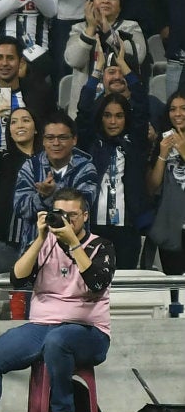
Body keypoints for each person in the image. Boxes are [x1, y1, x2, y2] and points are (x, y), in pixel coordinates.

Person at [0, 187, 114, 412]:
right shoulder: (44, 244)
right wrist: (39, 238)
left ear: (86, 216)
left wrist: (73, 243)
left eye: (73, 215)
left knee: (59, 340)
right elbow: (17, 278)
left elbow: (97, 284)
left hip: (89, 331)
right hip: (42, 327)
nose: (66, 220)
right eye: (60, 214)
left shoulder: (101, 245)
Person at [75, 47, 150, 269]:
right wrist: (97, 69)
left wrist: (126, 69)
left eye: (119, 116)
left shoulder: (134, 142)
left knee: (125, 287)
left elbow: (142, 104)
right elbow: (83, 111)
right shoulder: (89, 143)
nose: (113, 121)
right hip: (93, 227)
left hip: (127, 227)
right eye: (107, 115)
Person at [13, 111, 99, 250]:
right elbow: (20, 208)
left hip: (75, 250)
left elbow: (83, 207)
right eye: (50, 138)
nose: (56, 143)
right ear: (43, 140)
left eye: (63, 137)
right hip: (35, 249)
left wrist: (52, 193)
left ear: (74, 140)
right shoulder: (31, 166)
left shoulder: (86, 168)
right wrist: (42, 197)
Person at [63, 0, 146, 117]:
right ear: (90, 3)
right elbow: (73, 60)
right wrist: (90, 29)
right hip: (85, 108)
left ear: (120, 6)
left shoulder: (131, 27)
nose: (106, 1)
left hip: (124, 109)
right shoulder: (79, 29)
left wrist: (107, 30)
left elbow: (137, 56)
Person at [0, 36, 55, 153]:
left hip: (32, 162)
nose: (4, 63)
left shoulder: (40, 93)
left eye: (10, 58)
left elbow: (52, 131)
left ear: (20, 62)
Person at [0, 106, 41, 275]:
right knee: (7, 300)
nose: (19, 125)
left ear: (36, 129)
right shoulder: (3, 160)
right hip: (5, 245)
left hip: (40, 243)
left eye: (26, 120)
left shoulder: (47, 161)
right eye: (13, 122)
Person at [145, 92, 185, 275]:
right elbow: (152, 188)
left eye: (183, 108)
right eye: (173, 109)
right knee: (173, 286)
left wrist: (183, 150)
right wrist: (162, 153)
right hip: (171, 226)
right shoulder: (163, 140)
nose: (178, 113)